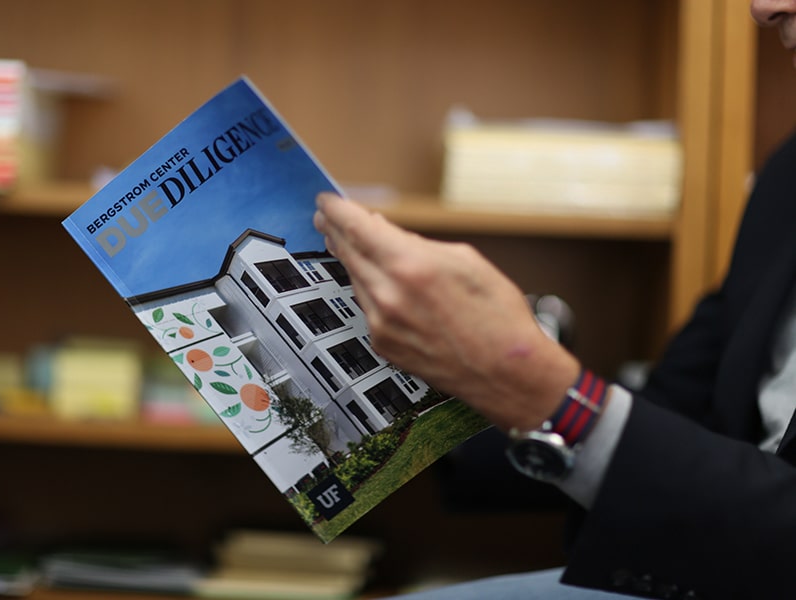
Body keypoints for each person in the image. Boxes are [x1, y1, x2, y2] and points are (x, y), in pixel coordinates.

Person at [313, 1, 796, 598]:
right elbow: (680, 410)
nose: (764, 7)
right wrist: (412, 414)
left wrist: (527, 379)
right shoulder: (787, 179)